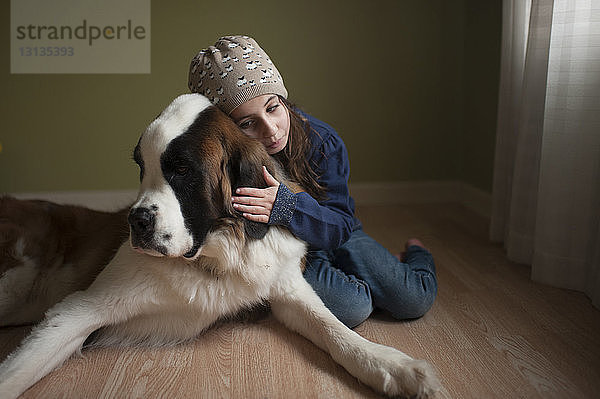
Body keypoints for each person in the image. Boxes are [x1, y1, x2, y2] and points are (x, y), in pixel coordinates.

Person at [188, 35, 437, 328]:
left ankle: (413, 253)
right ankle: (370, 275)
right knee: (352, 308)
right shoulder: (226, 164)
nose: (270, 129)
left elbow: (342, 224)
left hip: (337, 233)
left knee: (413, 300)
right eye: (247, 123)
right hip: (296, 253)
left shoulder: (323, 142)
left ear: (283, 98)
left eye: (272, 108)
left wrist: (288, 208)